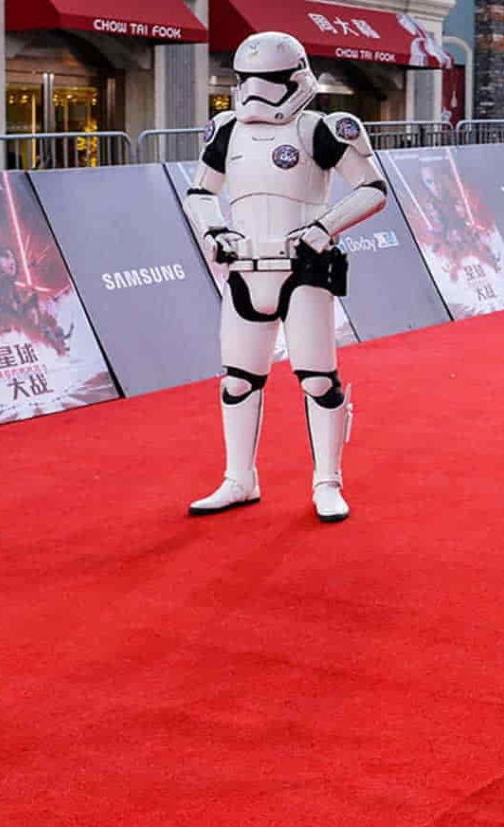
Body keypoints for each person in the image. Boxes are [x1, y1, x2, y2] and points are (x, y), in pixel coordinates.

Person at [184, 31, 387, 523]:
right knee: (237, 381)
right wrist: (214, 230)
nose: (257, 90)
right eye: (247, 79)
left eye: (270, 80)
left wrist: (324, 227)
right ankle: (239, 478)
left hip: (304, 270)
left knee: (318, 380)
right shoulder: (226, 129)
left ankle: (327, 481)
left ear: (295, 79)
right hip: (244, 269)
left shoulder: (323, 128)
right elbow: (200, 192)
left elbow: (373, 187)